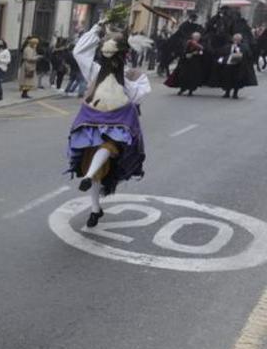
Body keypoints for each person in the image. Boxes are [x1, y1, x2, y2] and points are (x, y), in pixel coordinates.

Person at [67, 21, 150, 228]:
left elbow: (139, 96)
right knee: (94, 167)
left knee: (109, 147)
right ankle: (95, 208)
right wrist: (96, 28)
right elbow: (79, 52)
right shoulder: (95, 71)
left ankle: (87, 178)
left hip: (117, 124)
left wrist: (129, 80)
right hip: (93, 121)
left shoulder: (132, 78)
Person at [219, 33, 258, 99]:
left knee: (237, 80)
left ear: (240, 40)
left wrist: (239, 51)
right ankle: (227, 92)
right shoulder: (229, 46)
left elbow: (249, 54)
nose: (236, 41)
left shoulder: (244, 46)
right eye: (235, 39)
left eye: (238, 39)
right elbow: (223, 53)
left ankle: (235, 93)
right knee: (228, 79)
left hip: (239, 66)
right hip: (229, 65)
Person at [168, 32, 205, 96]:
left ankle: (190, 91)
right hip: (186, 62)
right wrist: (186, 54)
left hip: (195, 63)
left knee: (193, 77)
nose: (197, 38)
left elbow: (202, 52)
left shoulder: (201, 44)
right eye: (195, 37)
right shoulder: (188, 43)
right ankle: (182, 89)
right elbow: (184, 51)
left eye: (198, 37)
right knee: (183, 75)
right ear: (192, 37)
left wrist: (197, 53)